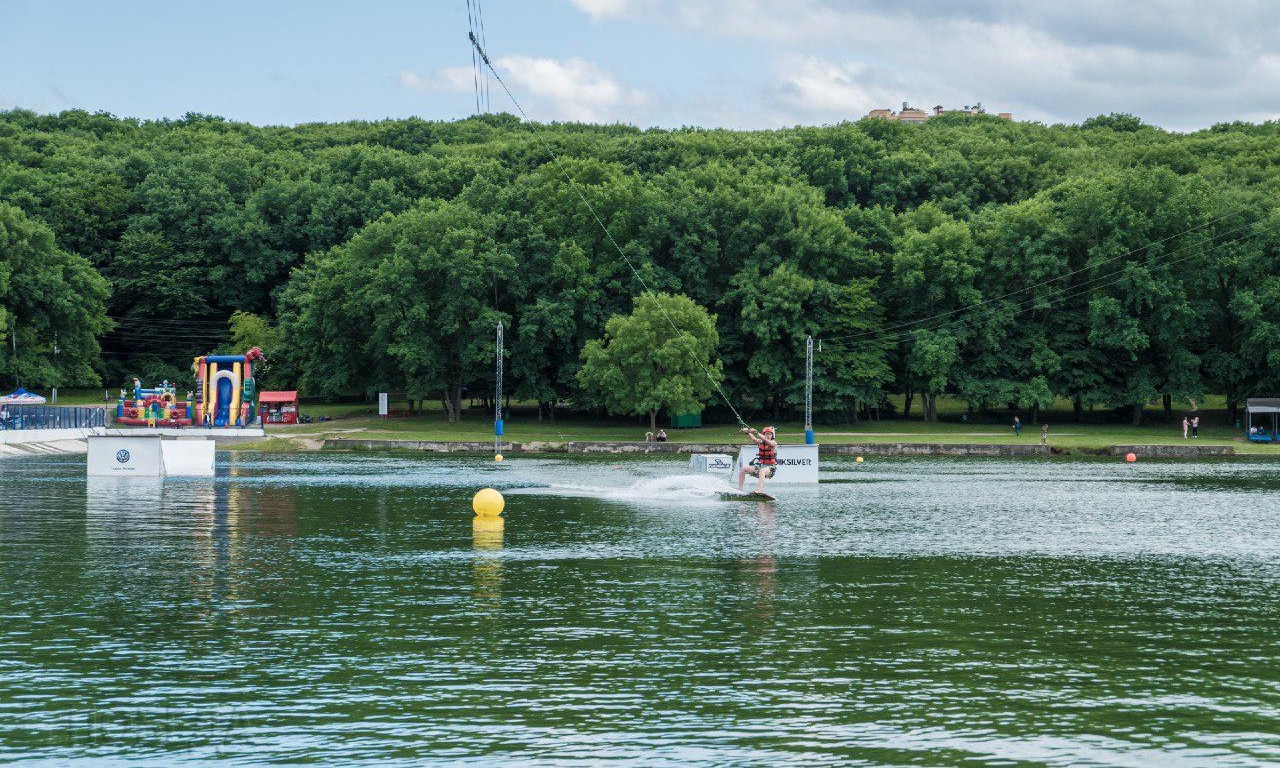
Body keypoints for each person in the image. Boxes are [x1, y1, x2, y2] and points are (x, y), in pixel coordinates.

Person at [738, 425, 779, 494]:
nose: (768, 436)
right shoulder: (760, 442)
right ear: (764, 434)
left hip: (771, 468)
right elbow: (753, 439)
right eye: (766, 434)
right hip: (761, 466)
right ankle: (739, 490)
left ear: (772, 436)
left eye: (770, 434)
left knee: (762, 471)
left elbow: (767, 440)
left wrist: (756, 432)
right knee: (743, 469)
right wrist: (747, 432)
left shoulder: (774, 443)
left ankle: (758, 491)